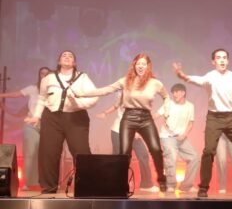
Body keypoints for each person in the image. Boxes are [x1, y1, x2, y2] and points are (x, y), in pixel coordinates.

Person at [72, 53, 169, 192]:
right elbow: (105, 90)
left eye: (143, 64)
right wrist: (82, 94)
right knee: (124, 154)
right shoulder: (125, 81)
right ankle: (122, 184)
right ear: (134, 65)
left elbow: (166, 97)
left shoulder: (155, 83)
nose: (141, 66)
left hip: (146, 119)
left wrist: (165, 112)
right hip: (128, 117)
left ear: (148, 66)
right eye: (138, 64)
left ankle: (161, 178)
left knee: (156, 149)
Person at [173, 48, 232, 198]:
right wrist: (182, 76)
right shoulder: (210, 77)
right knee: (209, 151)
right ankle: (203, 187)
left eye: (224, 57)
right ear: (213, 62)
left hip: (230, 117)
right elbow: (196, 80)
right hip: (214, 118)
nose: (222, 60)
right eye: (218, 58)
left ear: (228, 61)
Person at [25, 51, 98, 194]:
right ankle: (49, 187)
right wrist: (37, 116)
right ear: (59, 61)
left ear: (74, 63)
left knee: (81, 151)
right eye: (64, 55)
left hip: (76, 118)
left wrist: (79, 104)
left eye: (70, 56)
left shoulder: (82, 77)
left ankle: (87, 186)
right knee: (49, 153)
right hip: (52, 118)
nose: (67, 57)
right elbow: (42, 98)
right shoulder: (49, 78)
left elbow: (94, 97)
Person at [0, 66, 50, 190]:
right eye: (42, 73)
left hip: (49, 125)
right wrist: (1, 95)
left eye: (47, 73)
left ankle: (47, 182)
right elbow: (17, 94)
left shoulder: (55, 90)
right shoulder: (33, 89)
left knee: (48, 154)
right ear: (39, 75)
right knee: (30, 153)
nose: (44, 75)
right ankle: (29, 183)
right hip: (31, 124)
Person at [96, 92, 158, 192]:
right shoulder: (124, 94)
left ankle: (146, 185)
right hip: (119, 132)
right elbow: (116, 106)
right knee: (121, 158)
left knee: (143, 155)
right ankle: (118, 185)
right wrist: (105, 113)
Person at [157, 83, 200, 193]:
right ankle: (170, 185)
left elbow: (191, 123)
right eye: (173, 92)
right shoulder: (168, 104)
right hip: (167, 136)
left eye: (176, 92)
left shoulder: (190, 106)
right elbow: (156, 115)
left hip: (181, 137)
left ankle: (186, 186)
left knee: (195, 157)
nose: (174, 94)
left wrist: (184, 134)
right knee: (171, 156)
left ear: (183, 93)